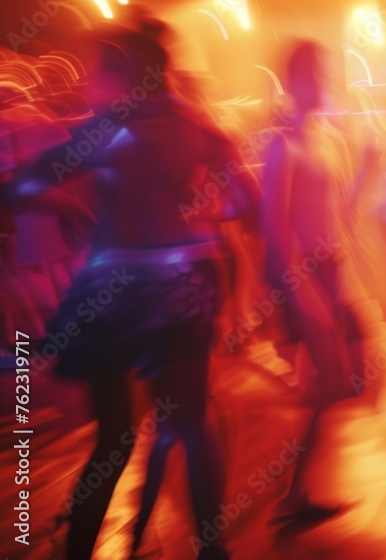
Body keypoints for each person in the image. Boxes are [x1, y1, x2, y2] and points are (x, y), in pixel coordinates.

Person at [4, 29, 257, 560]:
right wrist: (196, 215)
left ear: (124, 74)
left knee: (114, 437)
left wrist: (65, 206)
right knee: (191, 424)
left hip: (116, 292)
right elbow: (246, 201)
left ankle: (77, 550)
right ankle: (213, 548)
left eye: (98, 70)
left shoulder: (114, 129)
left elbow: (25, 184)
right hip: (186, 282)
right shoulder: (199, 127)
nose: (89, 83)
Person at [260, 40, 366, 525]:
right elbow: (276, 225)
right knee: (330, 380)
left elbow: (337, 211)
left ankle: (294, 491)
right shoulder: (282, 145)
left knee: (340, 380)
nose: (327, 80)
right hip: (305, 275)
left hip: (331, 270)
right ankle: (291, 493)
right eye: (318, 73)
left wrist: (367, 172)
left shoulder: (326, 138)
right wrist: (304, 293)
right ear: (297, 82)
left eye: (327, 70)